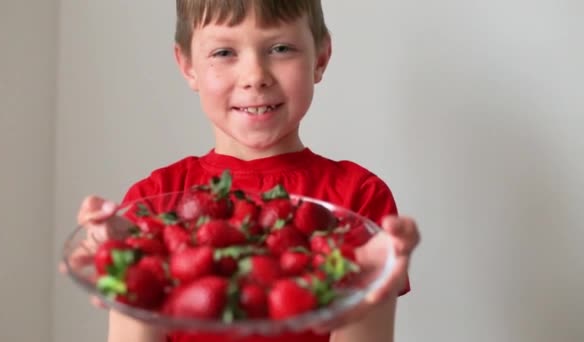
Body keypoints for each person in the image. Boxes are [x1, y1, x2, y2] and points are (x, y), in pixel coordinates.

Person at [66, 1, 421, 341]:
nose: (255, 76)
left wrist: (368, 284)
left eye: (280, 48)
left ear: (321, 57)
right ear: (188, 65)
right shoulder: (152, 204)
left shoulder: (359, 198)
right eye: (224, 52)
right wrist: (131, 266)